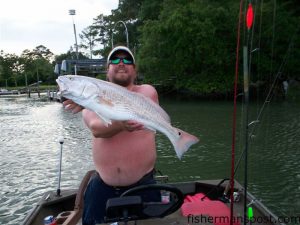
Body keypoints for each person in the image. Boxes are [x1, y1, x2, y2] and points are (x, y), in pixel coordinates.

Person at [62, 46, 160, 225]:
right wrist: (91, 101)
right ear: (107, 70)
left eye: (127, 60)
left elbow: (132, 103)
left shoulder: (147, 92)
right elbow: (97, 129)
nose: (121, 63)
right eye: (115, 60)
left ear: (135, 69)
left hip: (144, 184)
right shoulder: (91, 99)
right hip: (102, 187)